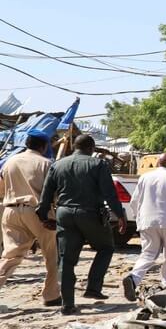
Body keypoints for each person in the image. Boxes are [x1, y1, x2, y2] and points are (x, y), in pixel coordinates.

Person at [35, 134, 126, 315]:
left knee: (66, 260)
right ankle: (93, 286)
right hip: (91, 213)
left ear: (74, 147)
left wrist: (43, 215)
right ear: (91, 148)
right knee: (106, 247)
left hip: (65, 214)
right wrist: (120, 215)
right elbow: (109, 193)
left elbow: (46, 195)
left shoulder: (57, 164)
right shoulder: (98, 164)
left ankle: (68, 305)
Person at [0, 130, 61, 307]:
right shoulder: (46, 163)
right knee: (51, 255)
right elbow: (54, 192)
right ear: (43, 146)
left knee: (11, 256)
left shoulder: (10, 162)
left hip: (10, 211)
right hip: (38, 213)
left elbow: (2, 189)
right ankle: (51, 295)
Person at [122, 153, 166, 301]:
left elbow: (134, 201)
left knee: (148, 253)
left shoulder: (145, 177)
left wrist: (137, 218)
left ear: (158, 163)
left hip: (147, 221)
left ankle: (134, 278)